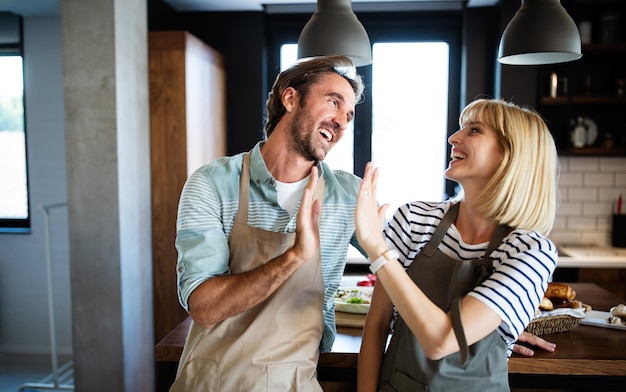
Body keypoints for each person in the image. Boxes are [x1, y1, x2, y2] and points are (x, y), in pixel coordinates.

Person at [169, 55, 366, 392]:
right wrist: (294, 255)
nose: (342, 121)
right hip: (213, 382)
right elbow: (203, 306)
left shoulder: (349, 196)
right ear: (291, 98)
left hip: (296, 382)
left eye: (348, 114)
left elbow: (407, 260)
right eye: (333, 102)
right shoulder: (213, 183)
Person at [354, 98, 559, 391]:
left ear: (509, 156)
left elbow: (443, 340)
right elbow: (376, 325)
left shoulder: (531, 253)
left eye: (474, 130)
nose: (454, 138)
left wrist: (378, 249)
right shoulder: (413, 220)